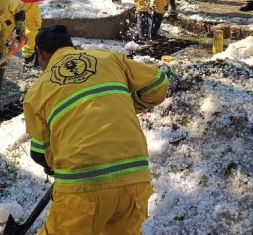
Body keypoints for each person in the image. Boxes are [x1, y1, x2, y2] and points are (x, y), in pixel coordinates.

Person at [23, 25, 168, 234]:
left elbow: (39, 153)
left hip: (82, 185)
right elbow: (158, 83)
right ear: (70, 45)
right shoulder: (108, 58)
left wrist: (55, 167)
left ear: (40, 54)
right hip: (134, 176)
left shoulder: (37, 91)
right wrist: (127, 104)